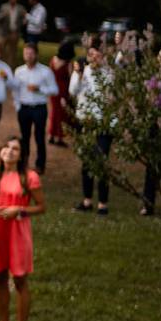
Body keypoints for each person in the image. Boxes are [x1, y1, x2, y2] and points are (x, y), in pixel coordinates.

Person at [0, 136, 46, 321]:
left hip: (18, 232)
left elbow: (41, 207)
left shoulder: (29, 177)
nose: (10, 151)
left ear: (21, 155)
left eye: (15, 148)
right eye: (6, 147)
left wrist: (19, 209)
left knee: (19, 280)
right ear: (0, 151)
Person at [70, 42, 112, 214]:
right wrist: (79, 74)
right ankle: (87, 200)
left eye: (97, 54)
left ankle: (103, 202)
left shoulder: (109, 73)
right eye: (91, 54)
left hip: (103, 123)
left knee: (102, 160)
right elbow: (73, 91)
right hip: (85, 121)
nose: (94, 57)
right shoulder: (81, 71)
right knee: (87, 161)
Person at [10, 41, 58, 174]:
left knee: (39, 137)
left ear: (36, 54)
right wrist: (17, 105)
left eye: (31, 53)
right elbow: (15, 90)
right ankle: (23, 164)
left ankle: (40, 165)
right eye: (26, 53)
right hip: (24, 108)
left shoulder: (45, 71)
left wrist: (39, 89)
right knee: (24, 138)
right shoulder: (19, 71)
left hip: (39, 108)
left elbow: (55, 90)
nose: (29, 56)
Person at [47, 40, 75, 147]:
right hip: (63, 90)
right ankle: (59, 137)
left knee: (54, 113)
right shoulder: (68, 63)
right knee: (62, 115)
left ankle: (51, 135)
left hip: (53, 89)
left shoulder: (53, 60)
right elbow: (71, 77)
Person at [0, 0, 26, 65]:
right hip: (5, 33)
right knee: (1, 48)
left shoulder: (20, 8)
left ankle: (10, 67)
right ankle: (2, 63)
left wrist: (23, 21)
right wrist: (3, 15)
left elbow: (25, 16)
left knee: (13, 52)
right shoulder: (4, 6)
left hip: (15, 33)